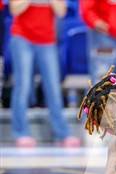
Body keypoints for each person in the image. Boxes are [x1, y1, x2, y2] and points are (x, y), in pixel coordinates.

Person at [9, 0, 80, 147]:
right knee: (22, 86)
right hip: (22, 38)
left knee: (53, 88)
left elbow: (61, 12)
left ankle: (63, 133)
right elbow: (14, 9)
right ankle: (21, 133)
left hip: (47, 40)